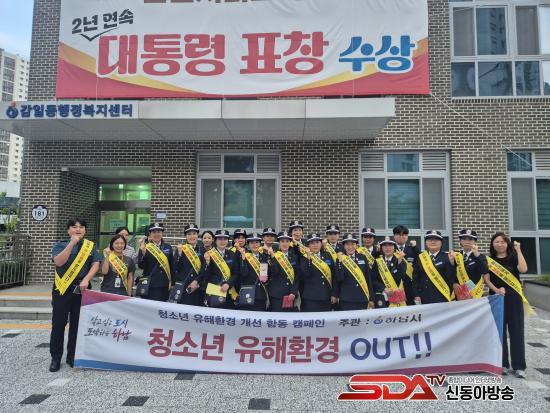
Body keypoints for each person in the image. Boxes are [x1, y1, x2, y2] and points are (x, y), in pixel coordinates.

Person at [50, 218, 101, 372]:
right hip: (62, 288)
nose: (78, 229)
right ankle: (55, 357)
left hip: (82, 288)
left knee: (77, 324)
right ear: (68, 230)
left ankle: (72, 356)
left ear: (85, 230)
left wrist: (86, 279)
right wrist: (71, 243)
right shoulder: (60, 245)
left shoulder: (90, 246)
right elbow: (59, 262)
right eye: (74, 227)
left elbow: (95, 264)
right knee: (58, 324)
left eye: (81, 227)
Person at [484, 233, 529, 378]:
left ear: (507, 244)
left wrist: (518, 250)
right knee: (499, 332)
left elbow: (523, 269)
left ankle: (519, 366)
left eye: (503, 242)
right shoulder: (489, 260)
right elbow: (486, 279)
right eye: (496, 241)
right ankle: (502, 364)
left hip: (514, 298)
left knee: (516, 331)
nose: (500, 244)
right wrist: (496, 290)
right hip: (496, 298)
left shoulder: (514, 257)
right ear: (492, 244)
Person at [413, 230, 456, 304]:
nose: (433, 242)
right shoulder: (421, 257)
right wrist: (416, 294)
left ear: (441, 243)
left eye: (436, 240)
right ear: (426, 242)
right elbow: (415, 278)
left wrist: (452, 263)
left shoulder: (447, 257)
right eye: (430, 240)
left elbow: (451, 277)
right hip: (424, 297)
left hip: (442, 297)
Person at [333, 233, 374, 311]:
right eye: (347, 244)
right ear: (343, 246)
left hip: (362, 297)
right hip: (346, 298)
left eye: (353, 244)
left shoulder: (362, 257)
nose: (350, 247)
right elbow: (338, 278)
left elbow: (368, 278)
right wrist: (339, 262)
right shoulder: (340, 259)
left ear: (356, 245)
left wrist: (371, 298)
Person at [137, 222, 174, 302]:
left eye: (159, 232)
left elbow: (172, 266)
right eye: (154, 232)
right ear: (150, 234)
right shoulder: (145, 247)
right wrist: (143, 252)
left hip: (164, 285)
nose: (156, 234)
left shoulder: (168, 247)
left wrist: (172, 283)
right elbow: (141, 265)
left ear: (162, 233)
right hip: (150, 285)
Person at [203, 229, 239, 309]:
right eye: (220, 239)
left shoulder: (232, 254)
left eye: (225, 239)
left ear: (228, 241)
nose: (222, 241)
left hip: (228, 291)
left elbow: (235, 273)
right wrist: (207, 263)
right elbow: (205, 275)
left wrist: (228, 284)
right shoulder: (209, 254)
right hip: (213, 292)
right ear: (215, 240)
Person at [300, 233, 336, 312]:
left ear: (321, 244)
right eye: (312, 243)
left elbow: (334, 275)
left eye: (317, 242)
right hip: (311, 297)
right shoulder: (304, 257)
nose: (315, 245)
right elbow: (306, 273)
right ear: (308, 246)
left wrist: (334, 294)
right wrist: (309, 257)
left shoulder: (327, 255)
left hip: (326, 296)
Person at [267, 231, 301, 312]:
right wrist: (273, 257)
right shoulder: (273, 256)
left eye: (287, 241)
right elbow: (274, 272)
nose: (285, 244)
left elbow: (297, 276)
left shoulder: (295, 257)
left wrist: (293, 292)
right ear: (279, 243)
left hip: (291, 294)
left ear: (290, 243)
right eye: (282, 241)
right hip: (276, 294)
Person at [371, 237, 408, 308]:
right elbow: (373, 279)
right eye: (385, 246)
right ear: (382, 248)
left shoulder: (400, 260)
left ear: (394, 247)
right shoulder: (377, 261)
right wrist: (384, 289)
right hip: (382, 296)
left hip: (396, 297)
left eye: (390, 245)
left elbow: (402, 277)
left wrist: (400, 262)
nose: (387, 248)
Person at [173, 224, 205, 306]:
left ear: (197, 235)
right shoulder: (181, 249)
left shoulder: (202, 249)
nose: (192, 236)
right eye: (189, 234)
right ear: (185, 236)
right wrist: (179, 254)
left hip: (198, 287)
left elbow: (204, 269)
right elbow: (176, 268)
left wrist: (196, 281)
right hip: (184, 287)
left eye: (194, 234)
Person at [238, 232, 270, 311]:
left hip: (261, 293)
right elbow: (244, 273)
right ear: (248, 244)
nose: (254, 245)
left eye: (257, 242)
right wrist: (243, 258)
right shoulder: (244, 256)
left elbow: (269, 274)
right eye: (252, 243)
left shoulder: (265, 257)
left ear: (260, 244)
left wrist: (266, 279)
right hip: (248, 292)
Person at [454, 229, 488, 300]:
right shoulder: (455, 256)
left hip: (475, 294)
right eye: (464, 239)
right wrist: (454, 283)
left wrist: (476, 254)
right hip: (459, 294)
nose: (467, 242)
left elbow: (484, 270)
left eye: (470, 239)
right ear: (460, 241)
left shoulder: (480, 256)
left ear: (475, 242)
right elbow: (450, 273)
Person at [393, 225, 419, 305]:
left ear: (407, 236)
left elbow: (421, 260)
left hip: (410, 287)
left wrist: (416, 247)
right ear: (394, 236)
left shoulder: (412, 249)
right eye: (398, 234)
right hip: (394, 286)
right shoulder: (390, 249)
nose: (401, 237)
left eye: (404, 234)